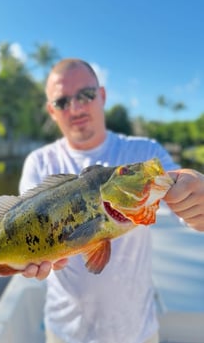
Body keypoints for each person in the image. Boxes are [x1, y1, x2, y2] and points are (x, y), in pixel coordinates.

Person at [19, 58, 204, 343]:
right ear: (51, 111)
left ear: (102, 95)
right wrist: (21, 261)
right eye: (62, 101)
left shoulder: (142, 151)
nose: (76, 107)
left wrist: (194, 191)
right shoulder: (39, 162)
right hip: (65, 332)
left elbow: (174, 178)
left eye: (85, 95)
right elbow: (22, 229)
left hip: (136, 332)